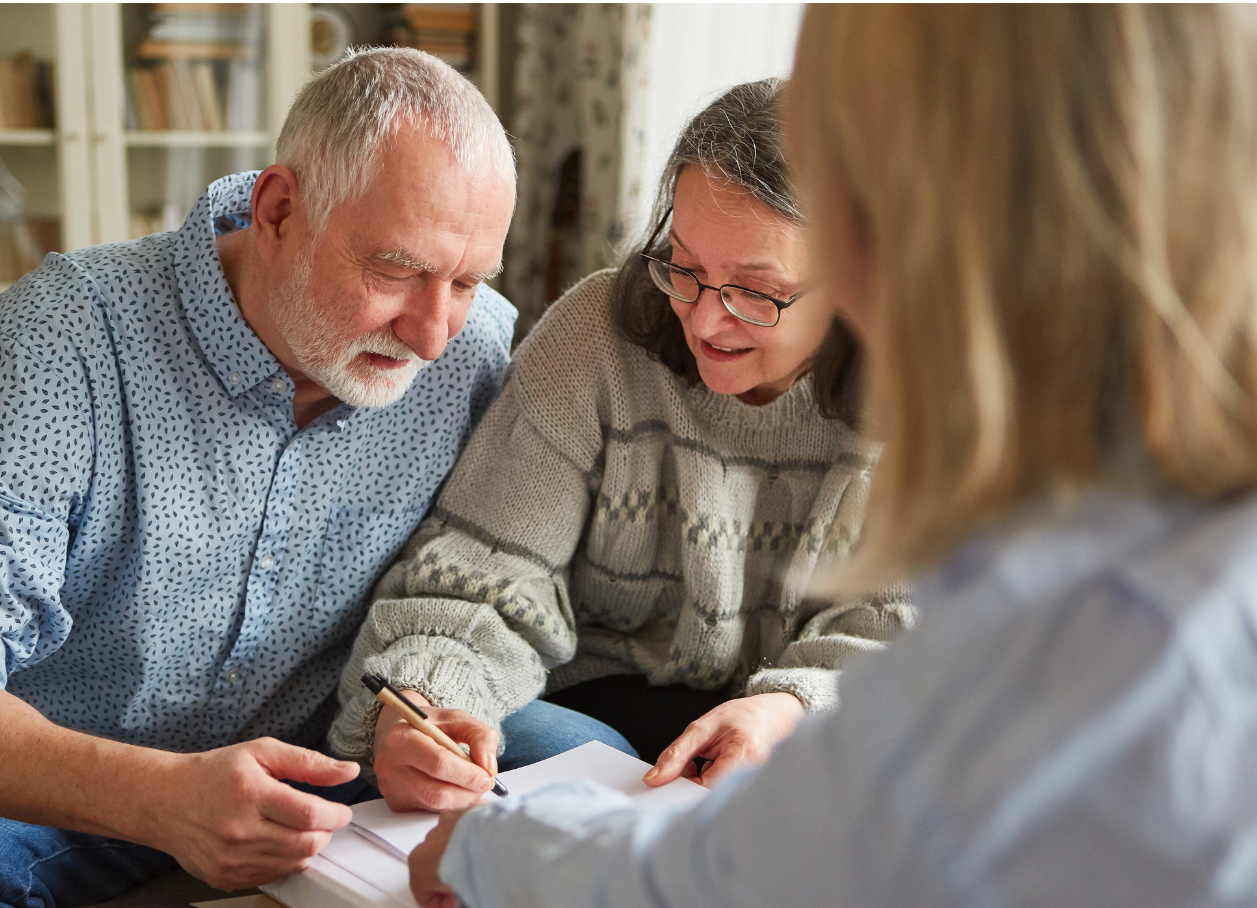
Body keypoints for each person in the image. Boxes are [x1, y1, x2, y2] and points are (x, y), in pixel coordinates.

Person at [406, 5, 1257, 908]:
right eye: (686, 268)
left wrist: (491, 851)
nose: (712, 315)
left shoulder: (1070, 623)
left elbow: (761, 891)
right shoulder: (1124, 524)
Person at [0, 48, 518, 908]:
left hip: (326, 766)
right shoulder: (64, 336)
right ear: (279, 210)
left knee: (578, 769)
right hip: (65, 790)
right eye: (396, 271)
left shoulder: (480, 355)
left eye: (468, 281)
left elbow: (463, 587)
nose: (434, 335)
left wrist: (416, 714)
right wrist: (161, 798)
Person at [332, 79, 912, 814]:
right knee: (523, 747)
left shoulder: (923, 387)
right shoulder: (596, 338)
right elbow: (487, 567)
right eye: (686, 267)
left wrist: (790, 707)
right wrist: (427, 700)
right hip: (588, 716)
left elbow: (904, 627)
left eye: (755, 292)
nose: (703, 322)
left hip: (796, 732)